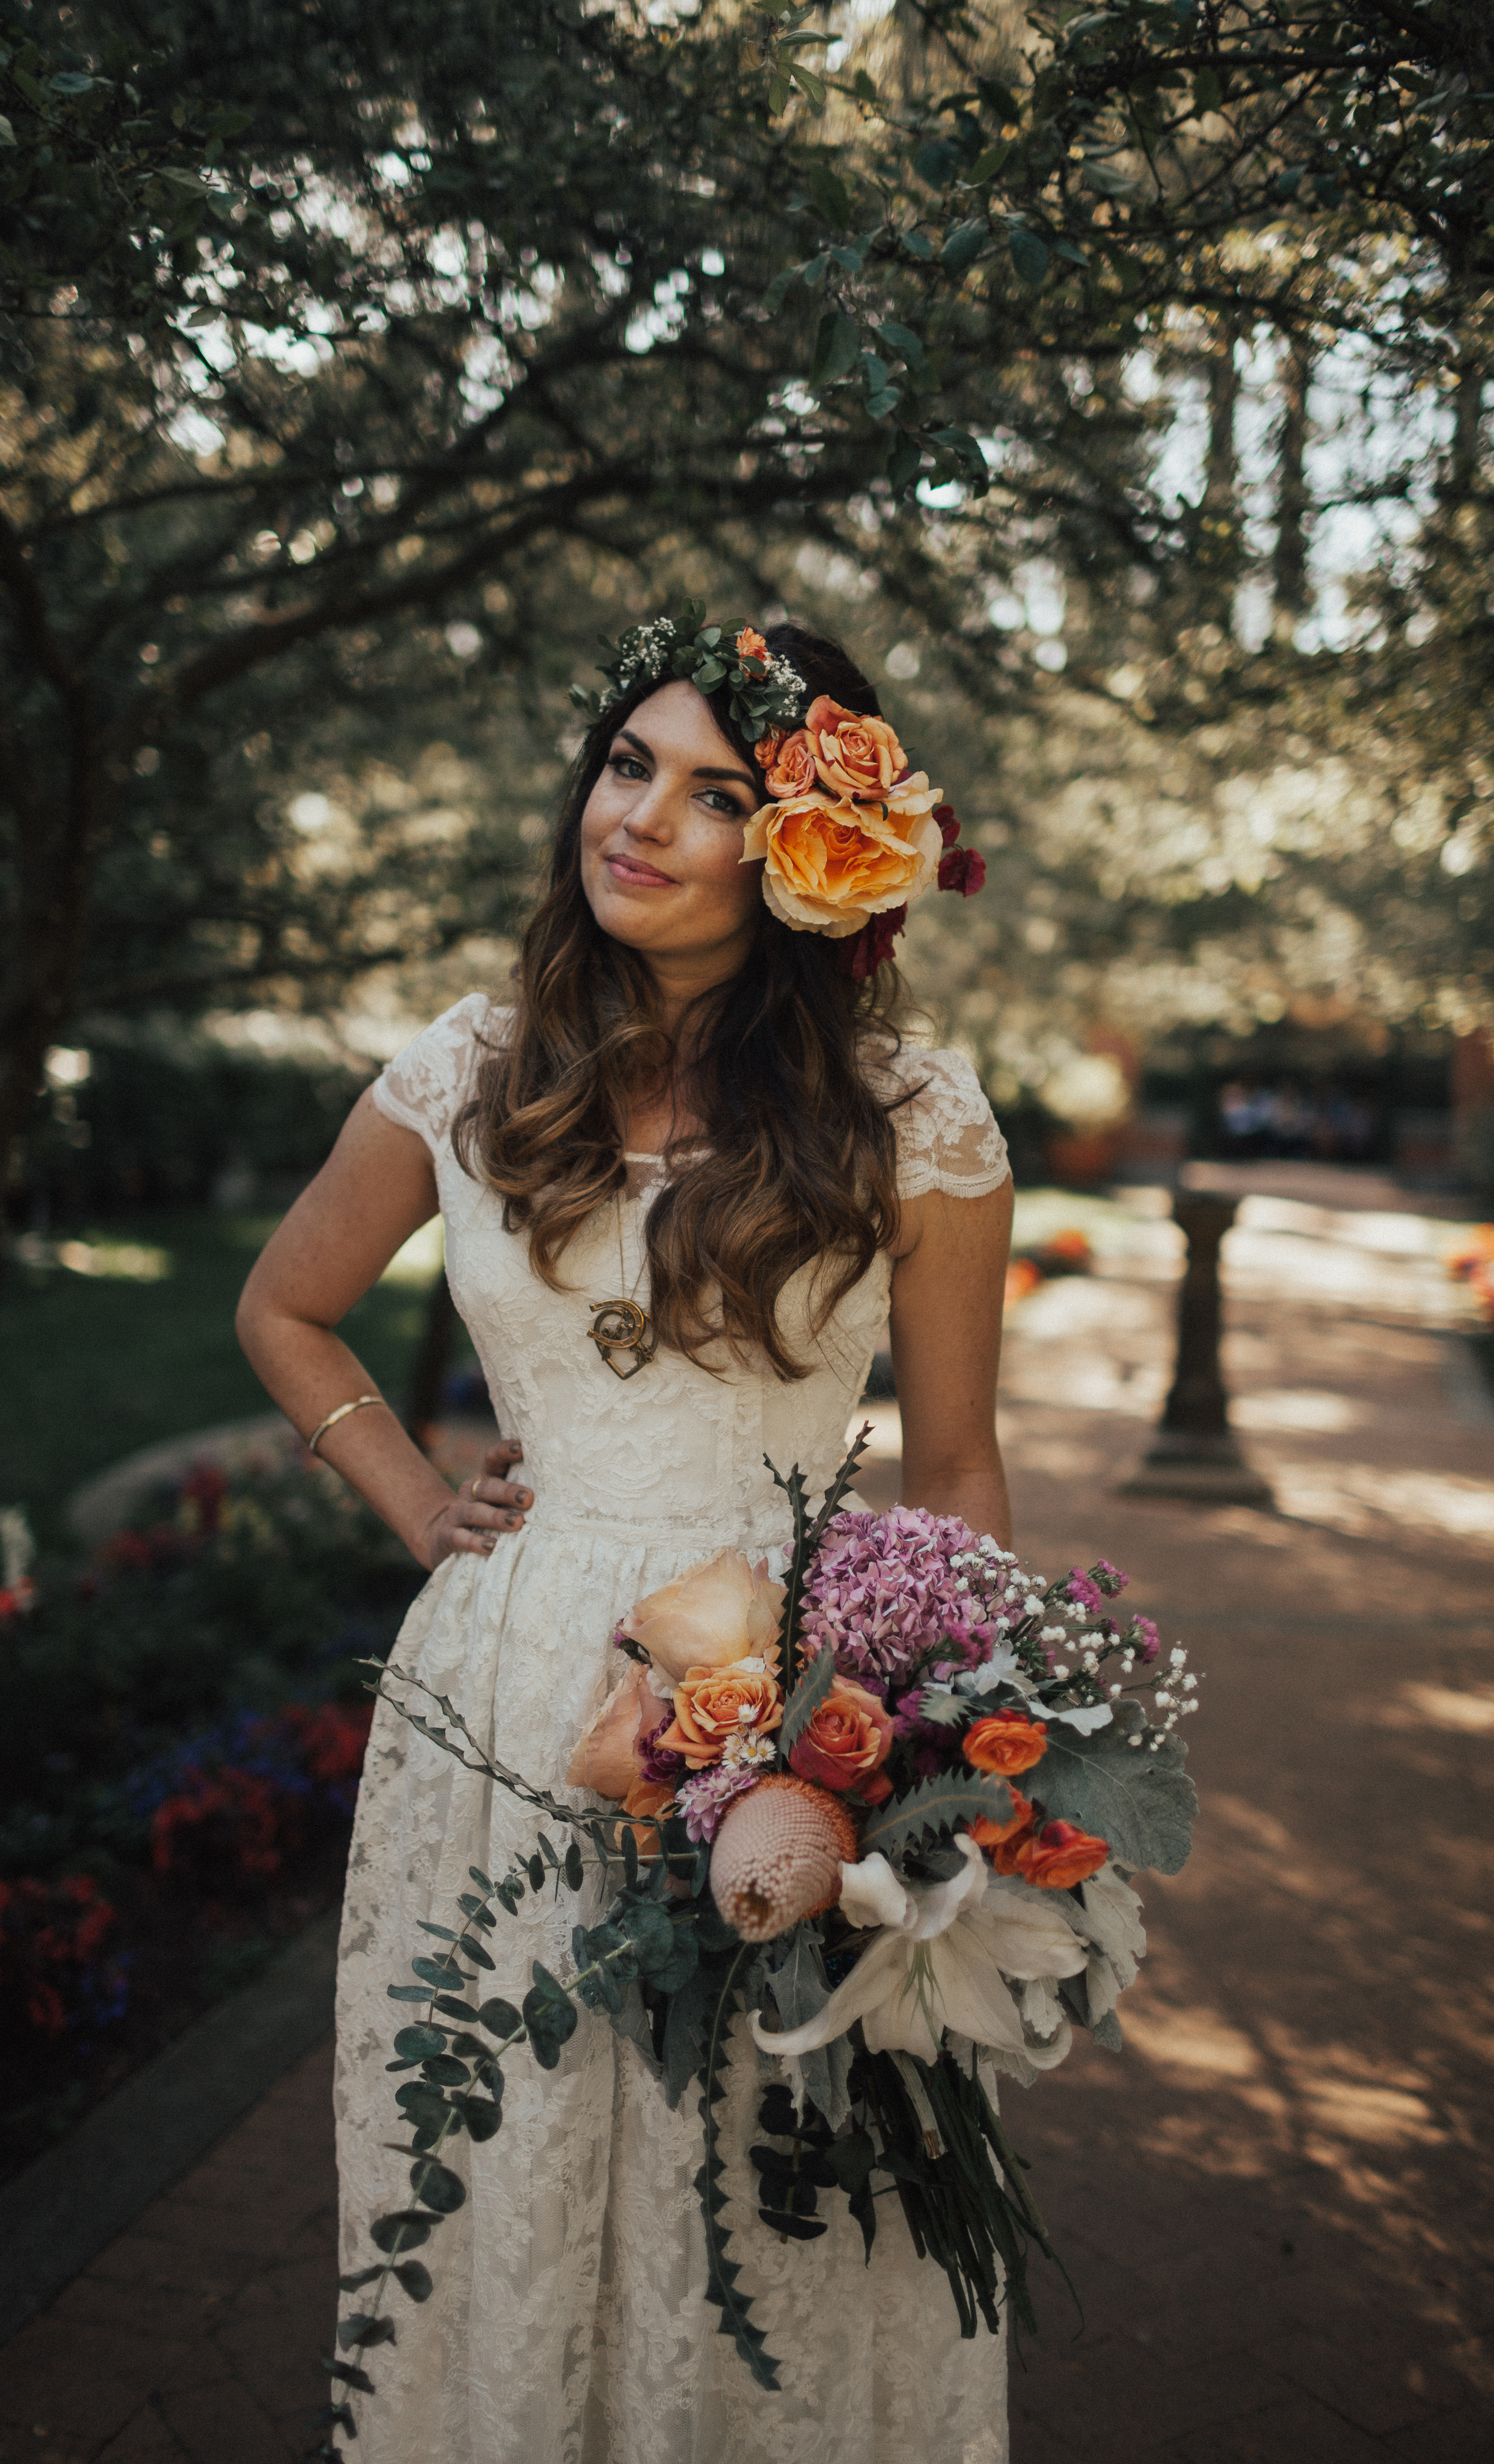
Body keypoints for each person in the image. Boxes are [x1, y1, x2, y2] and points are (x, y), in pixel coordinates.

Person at [236, 616, 1014, 2464]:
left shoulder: (911, 1116)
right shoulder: (467, 1064)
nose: (644, 815)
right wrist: (420, 1498)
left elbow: (965, 1466)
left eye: (717, 791)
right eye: (624, 764)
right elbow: (285, 1305)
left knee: (770, 2176)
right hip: (510, 1701)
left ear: (810, 851)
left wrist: (938, 1742)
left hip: (793, 1704)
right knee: (512, 2141)